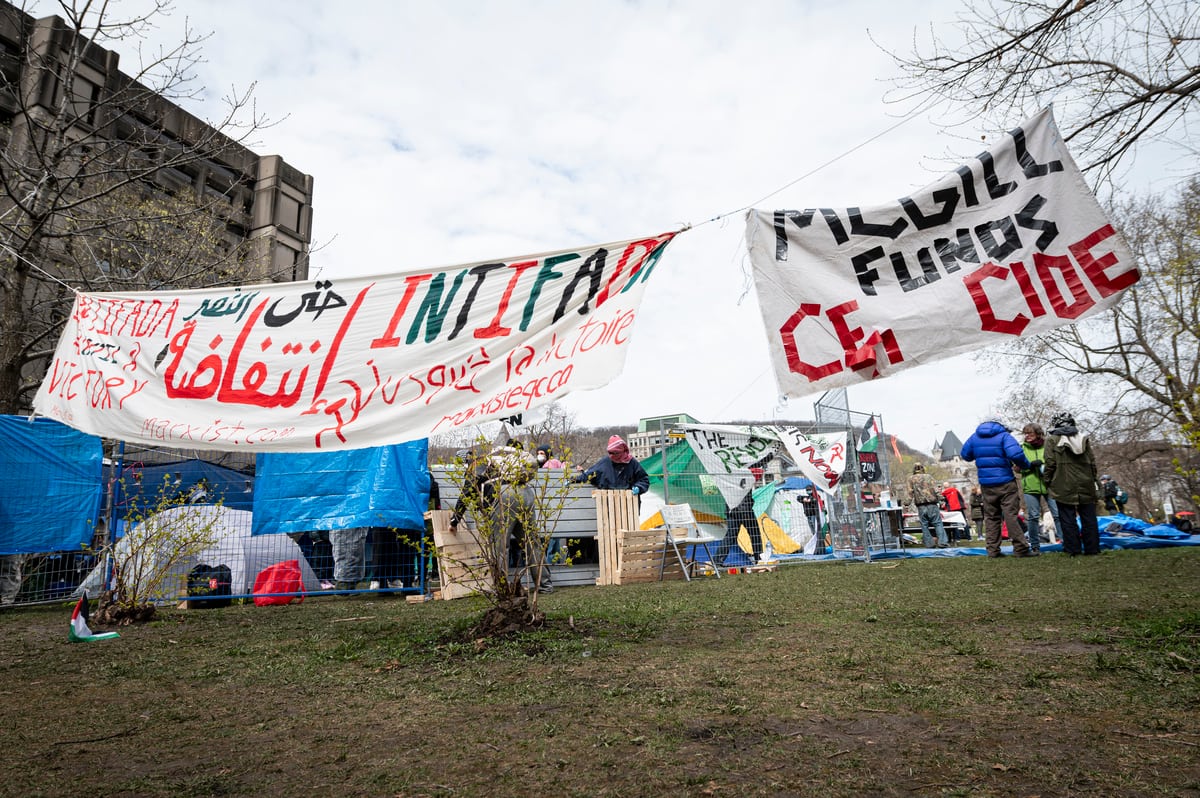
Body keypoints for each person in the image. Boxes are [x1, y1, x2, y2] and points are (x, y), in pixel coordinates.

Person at [961, 418, 1035, 558]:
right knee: (1010, 516)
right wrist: (1026, 465)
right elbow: (1016, 454)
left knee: (991, 517)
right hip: (1005, 481)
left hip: (986, 484)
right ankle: (1021, 549)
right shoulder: (1004, 436)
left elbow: (965, 455)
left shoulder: (975, 437)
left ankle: (993, 550)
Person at [1044, 411, 1101, 556]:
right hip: (1086, 482)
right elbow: (1092, 462)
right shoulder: (1083, 438)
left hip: (1063, 483)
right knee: (1089, 517)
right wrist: (1093, 479)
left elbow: (1050, 463)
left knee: (1067, 518)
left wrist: (1047, 480)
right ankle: (1092, 549)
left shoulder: (1052, 440)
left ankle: (1073, 549)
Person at [1018, 422, 1059, 555]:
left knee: (1057, 514)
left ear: (1038, 433)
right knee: (1033, 516)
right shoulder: (1022, 448)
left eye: (1030, 433)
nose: (1027, 436)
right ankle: (1035, 546)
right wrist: (1029, 466)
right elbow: (1016, 468)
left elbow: (1055, 462)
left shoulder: (1048, 445)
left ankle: (1066, 541)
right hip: (1030, 485)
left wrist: (1046, 467)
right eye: (1026, 433)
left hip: (1049, 484)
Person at [573, 435, 649, 496]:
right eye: (610, 453)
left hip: (629, 507)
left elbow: (644, 479)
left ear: (623, 450)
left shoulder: (632, 463)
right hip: (607, 508)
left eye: (616, 453)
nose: (613, 455)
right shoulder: (604, 463)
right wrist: (573, 479)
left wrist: (639, 487)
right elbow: (589, 475)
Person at [908, 464, 948, 548]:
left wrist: (906, 504)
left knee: (924, 525)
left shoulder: (911, 479)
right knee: (937, 523)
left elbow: (910, 493)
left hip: (921, 505)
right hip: (932, 504)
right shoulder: (929, 477)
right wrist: (941, 499)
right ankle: (942, 543)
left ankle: (929, 544)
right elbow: (936, 489)